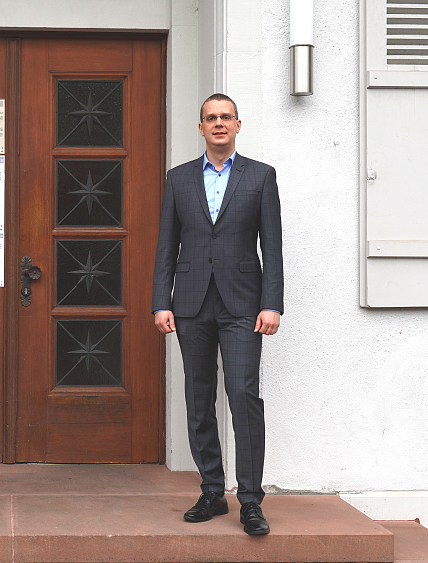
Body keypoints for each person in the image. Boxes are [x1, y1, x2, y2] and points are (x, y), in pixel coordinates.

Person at [151, 93, 282, 535]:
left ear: (238, 125)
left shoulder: (261, 176)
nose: (219, 123)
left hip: (243, 304)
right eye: (211, 118)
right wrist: (161, 301)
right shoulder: (178, 178)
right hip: (190, 303)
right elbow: (166, 244)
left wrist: (272, 303)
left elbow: (273, 246)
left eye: (226, 117)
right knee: (198, 397)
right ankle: (212, 491)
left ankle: (250, 500)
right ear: (201, 127)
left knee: (243, 395)